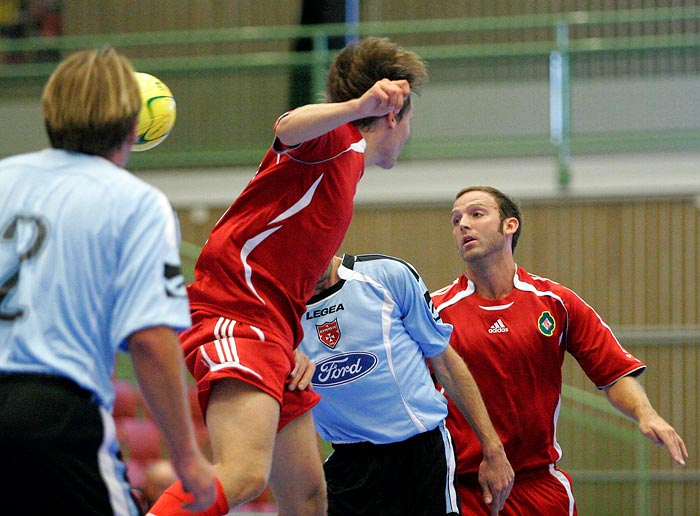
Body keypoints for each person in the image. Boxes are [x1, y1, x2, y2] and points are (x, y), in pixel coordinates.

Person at [148, 36, 429, 516]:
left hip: (275, 334)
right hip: (233, 313)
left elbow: (285, 266)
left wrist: (291, 338)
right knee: (243, 473)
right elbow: (288, 126)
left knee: (308, 498)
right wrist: (358, 106)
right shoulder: (336, 140)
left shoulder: (348, 168)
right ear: (394, 115)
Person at [0, 47, 215, 515]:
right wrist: (186, 456)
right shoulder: (135, 202)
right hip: (54, 417)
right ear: (133, 125)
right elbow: (151, 340)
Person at [431, 186, 688, 515]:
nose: (463, 225)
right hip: (467, 491)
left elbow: (613, 371)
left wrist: (646, 413)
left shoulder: (555, 302)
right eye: (456, 220)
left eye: (476, 214)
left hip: (540, 487)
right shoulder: (436, 312)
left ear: (510, 225)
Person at [298, 253, 514, 516]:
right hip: (347, 465)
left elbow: (444, 362)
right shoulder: (279, 312)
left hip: (419, 456)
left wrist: (492, 447)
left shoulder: (388, 275)